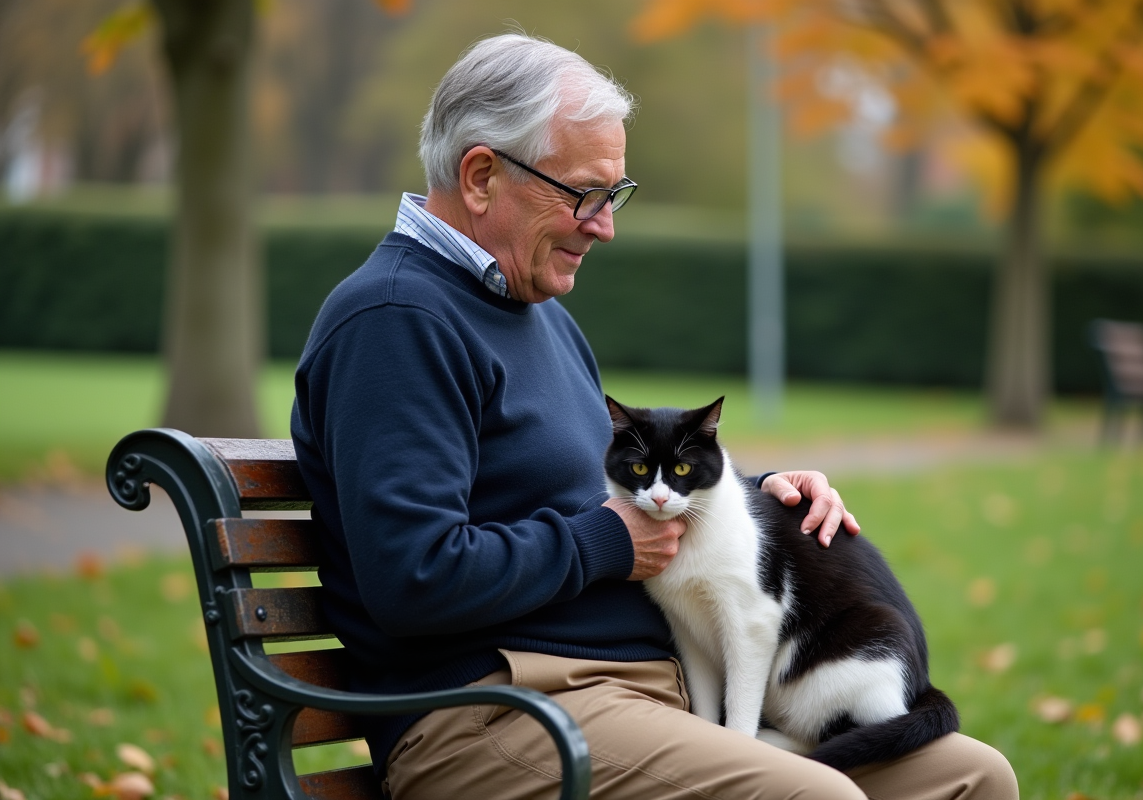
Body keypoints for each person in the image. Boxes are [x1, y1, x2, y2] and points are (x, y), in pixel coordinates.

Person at [291, 32, 1018, 800]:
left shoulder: (534, 312)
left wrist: (747, 499)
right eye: (584, 192)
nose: (604, 224)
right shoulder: (395, 321)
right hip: (498, 711)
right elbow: (414, 577)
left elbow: (604, 491)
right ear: (481, 177)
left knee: (974, 779)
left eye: (614, 195)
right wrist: (604, 542)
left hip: (642, 693)